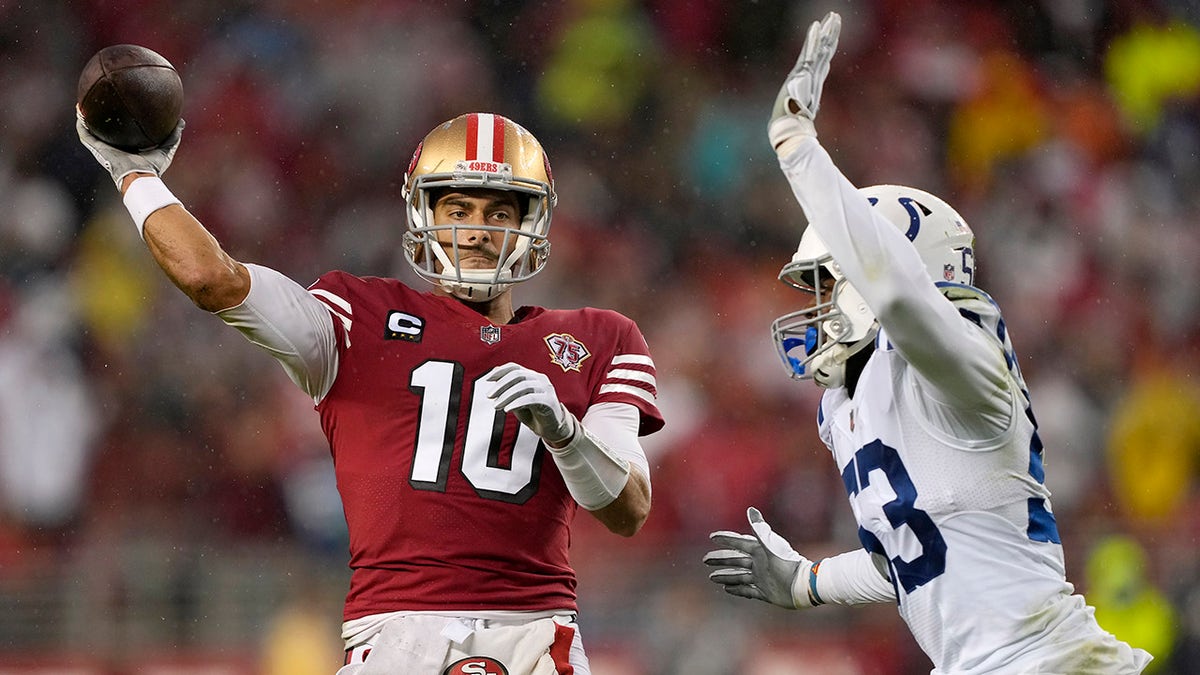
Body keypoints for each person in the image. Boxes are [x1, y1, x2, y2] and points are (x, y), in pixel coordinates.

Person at [77, 110, 664, 674]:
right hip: (393, 637)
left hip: (538, 634)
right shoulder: (358, 317)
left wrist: (564, 432)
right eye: (456, 206)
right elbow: (214, 279)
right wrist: (136, 176)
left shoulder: (599, 338)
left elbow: (627, 508)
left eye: (499, 212)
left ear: (531, 222)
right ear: (421, 213)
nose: (476, 230)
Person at [702, 12, 1152, 674]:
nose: (818, 305)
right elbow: (912, 553)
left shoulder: (960, 356)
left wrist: (799, 150)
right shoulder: (848, 402)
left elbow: (902, 296)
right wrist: (808, 582)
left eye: (831, 279)